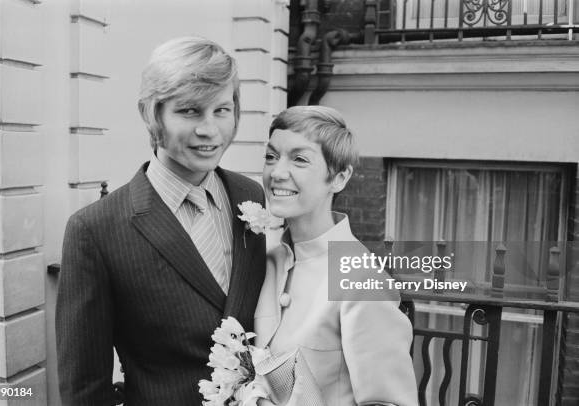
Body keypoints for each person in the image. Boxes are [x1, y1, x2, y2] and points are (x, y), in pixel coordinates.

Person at [55, 37, 266, 405]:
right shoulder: (95, 230)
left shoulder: (251, 197)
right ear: (151, 114)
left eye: (221, 110)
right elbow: (84, 388)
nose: (210, 130)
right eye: (189, 112)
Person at [254, 106, 418, 406]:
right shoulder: (267, 261)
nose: (277, 172)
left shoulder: (361, 277)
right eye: (270, 156)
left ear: (339, 178)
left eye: (299, 159)